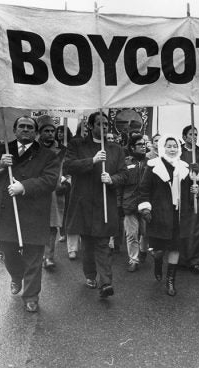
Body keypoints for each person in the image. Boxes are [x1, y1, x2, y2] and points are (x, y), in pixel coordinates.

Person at [0, 115, 60, 312]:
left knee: (34, 257)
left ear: (36, 132)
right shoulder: (1, 150)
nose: (25, 130)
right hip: (6, 213)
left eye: (30, 127)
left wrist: (24, 186)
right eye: (21, 126)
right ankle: (16, 276)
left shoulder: (48, 155)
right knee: (8, 251)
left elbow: (50, 181)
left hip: (34, 213)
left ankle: (31, 296)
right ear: (15, 131)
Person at [63, 111, 127, 298]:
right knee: (88, 244)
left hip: (104, 204)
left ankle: (106, 283)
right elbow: (68, 167)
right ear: (90, 126)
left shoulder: (116, 149)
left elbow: (124, 174)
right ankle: (90, 274)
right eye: (99, 124)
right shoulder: (77, 144)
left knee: (103, 244)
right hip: (83, 202)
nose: (104, 127)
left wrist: (112, 179)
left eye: (106, 124)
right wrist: (92, 161)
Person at [138, 137, 199, 296]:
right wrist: (145, 207)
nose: (172, 149)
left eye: (175, 146)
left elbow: (190, 190)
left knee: (175, 247)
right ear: (162, 147)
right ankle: (158, 261)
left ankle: (170, 281)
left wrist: (195, 184)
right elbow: (144, 189)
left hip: (179, 214)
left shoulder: (185, 167)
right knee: (159, 249)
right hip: (159, 214)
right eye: (169, 146)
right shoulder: (153, 166)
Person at [37, 115, 69, 269]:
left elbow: (69, 168)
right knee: (35, 223)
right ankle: (37, 255)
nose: (50, 133)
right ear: (39, 132)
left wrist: (65, 179)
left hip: (54, 191)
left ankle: (49, 257)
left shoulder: (62, 150)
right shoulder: (33, 149)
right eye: (46, 131)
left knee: (51, 225)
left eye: (52, 131)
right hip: (35, 191)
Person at [179, 125, 199, 274]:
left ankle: (195, 261)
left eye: (196, 134)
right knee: (183, 228)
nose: (194, 137)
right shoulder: (178, 152)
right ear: (184, 137)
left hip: (196, 194)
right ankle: (182, 259)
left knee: (196, 229)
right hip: (182, 194)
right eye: (191, 134)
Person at [120, 134, 149, 272]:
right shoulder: (125, 163)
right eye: (140, 144)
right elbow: (120, 184)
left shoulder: (151, 163)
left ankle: (143, 251)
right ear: (132, 147)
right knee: (131, 234)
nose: (143, 147)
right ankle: (134, 260)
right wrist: (120, 203)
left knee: (145, 232)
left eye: (144, 144)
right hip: (129, 203)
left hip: (145, 203)